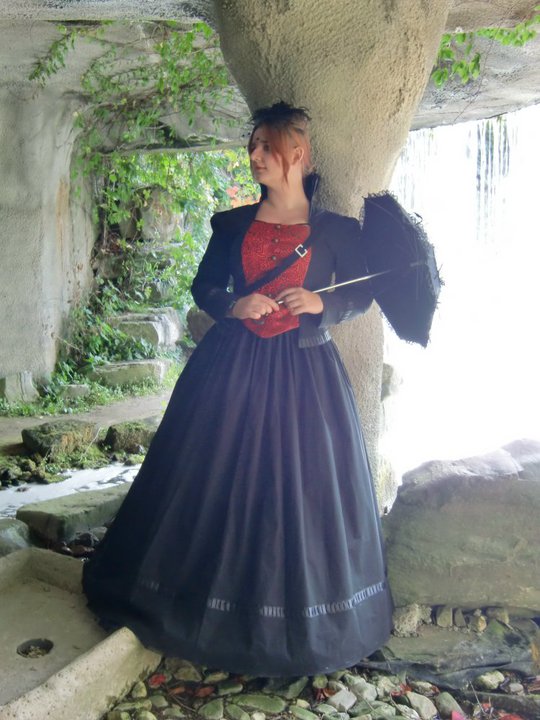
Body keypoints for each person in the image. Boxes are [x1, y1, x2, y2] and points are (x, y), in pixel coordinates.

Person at [82, 101, 393, 677]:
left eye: (265, 146)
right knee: (206, 471)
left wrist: (319, 302)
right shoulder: (230, 225)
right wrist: (234, 304)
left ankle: (300, 624)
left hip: (306, 376)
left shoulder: (337, 231)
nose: (254, 155)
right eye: (252, 146)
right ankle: (185, 600)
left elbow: (360, 296)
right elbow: (204, 287)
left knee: (300, 485)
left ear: (297, 153)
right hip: (229, 369)